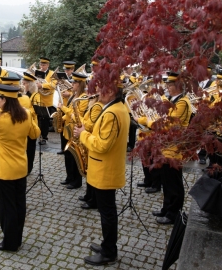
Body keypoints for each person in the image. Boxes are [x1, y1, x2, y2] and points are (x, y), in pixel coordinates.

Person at [73, 81, 130, 266]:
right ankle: (107, 245)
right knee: (107, 211)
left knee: (107, 213)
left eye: (101, 88)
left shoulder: (113, 113)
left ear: (112, 91)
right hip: (107, 168)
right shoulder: (117, 108)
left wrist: (82, 134)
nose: (97, 91)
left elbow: (102, 145)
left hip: (105, 169)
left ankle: (109, 252)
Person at [0, 84, 40, 252]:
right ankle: (17, 239)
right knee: (19, 204)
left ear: (4, 100)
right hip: (20, 166)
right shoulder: (26, 114)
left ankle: (10, 243)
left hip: (4, 168)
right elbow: (35, 134)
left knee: (6, 206)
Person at [143, 72, 191, 225]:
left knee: (174, 184)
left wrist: (148, 122)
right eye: (168, 85)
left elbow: (170, 124)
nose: (168, 88)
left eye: (170, 85)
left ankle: (173, 214)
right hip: (165, 147)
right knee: (166, 181)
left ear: (178, 86)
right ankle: (166, 208)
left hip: (174, 149)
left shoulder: (183, 102)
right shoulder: (172, 100)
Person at [60, 72, 88, 190]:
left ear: (80, 84)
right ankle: (69, 177)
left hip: (75, 130)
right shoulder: (73, 95)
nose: (72, 84)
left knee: (75, 156)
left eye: (74, 82)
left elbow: (77, 115)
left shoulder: (84, 98)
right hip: (67, 129)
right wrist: (61, 118)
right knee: (68, 155)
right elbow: (70, 112)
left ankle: (76, 181)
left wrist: (63, 108)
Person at [22, 72, 40, 174]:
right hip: (24, 123)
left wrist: (27, 109)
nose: (23, 85)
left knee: (31, 147)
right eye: (23, 83)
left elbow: (36, 111)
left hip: (32, 124)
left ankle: (29, 168)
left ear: (30, 84)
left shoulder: (35, 95)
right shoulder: (24, 94)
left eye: (25, 84)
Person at [36, 57, 56, 145]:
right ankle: (36, 135)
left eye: (44, 65)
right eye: (41, 64)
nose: (42, 66)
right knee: (37, 119)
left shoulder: (52, 74)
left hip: (47, 100)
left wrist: (42, 85)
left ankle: (44, 137)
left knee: (45, 120)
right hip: (37, 99)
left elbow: (53, 85)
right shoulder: (37, 72)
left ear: (48, 65)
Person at [56, 61, 75, 154]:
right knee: (61, 127)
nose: (66, 71)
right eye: (65, 69)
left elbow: (77, 93)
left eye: (68, 69)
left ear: (72, 70)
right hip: (62, 104)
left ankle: (69, 148)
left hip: (70, 106)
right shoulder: (62, 78)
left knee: (69, 128)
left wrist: (69, 94)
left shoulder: (75, 80)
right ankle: (63, 148)